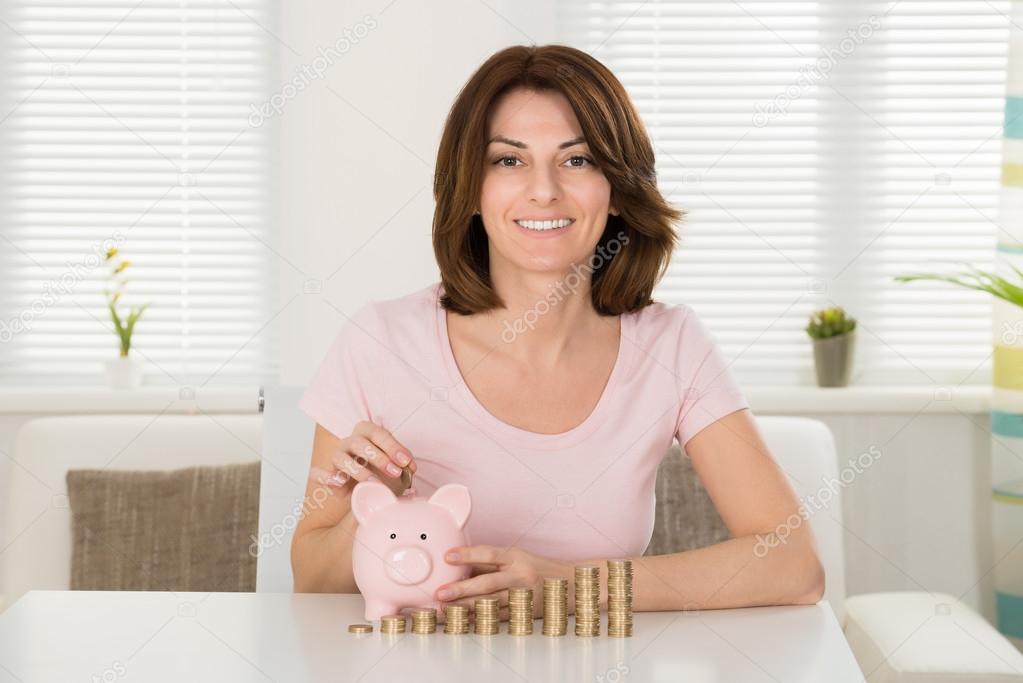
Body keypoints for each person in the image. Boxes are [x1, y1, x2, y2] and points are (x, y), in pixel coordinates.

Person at [291, 44, 824, 620]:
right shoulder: (380, 342)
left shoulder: (672, 346)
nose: (543, 190)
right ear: (470, 189)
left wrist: (571, 587)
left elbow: (793, 564)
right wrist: (373, 514)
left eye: (578, 160)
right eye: (508, 160)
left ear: (618, 190)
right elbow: (311, 582)